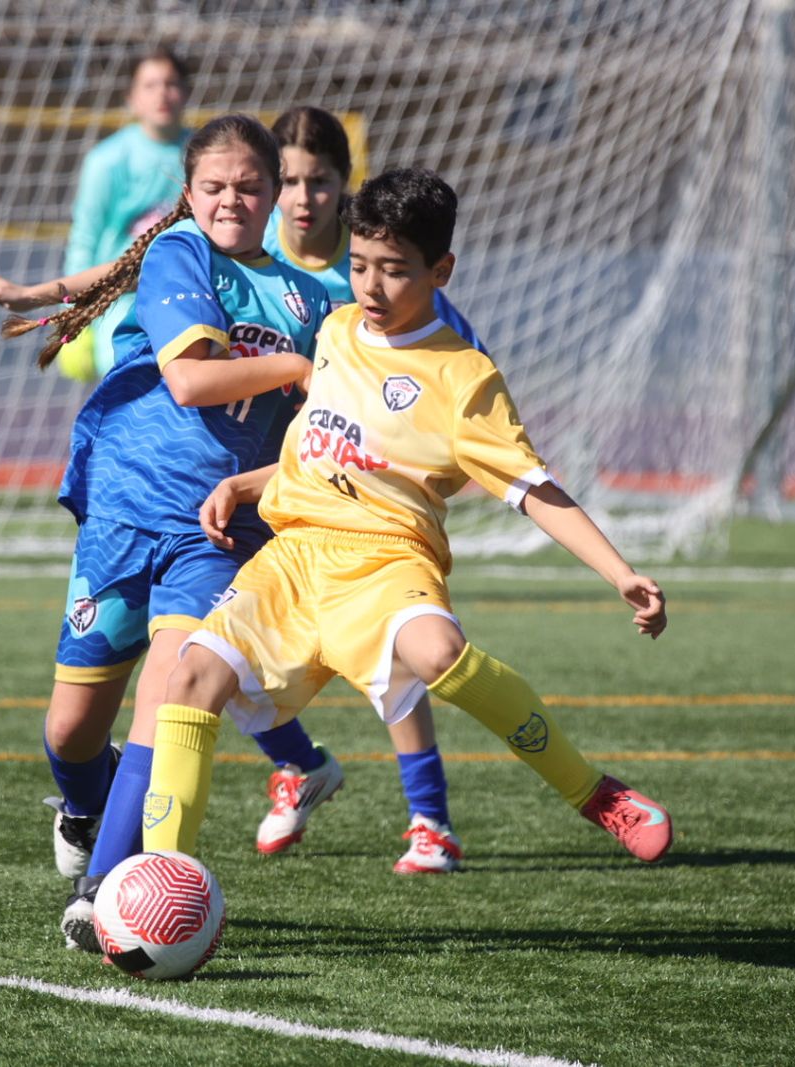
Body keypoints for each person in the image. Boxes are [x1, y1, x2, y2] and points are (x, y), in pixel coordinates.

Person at [141, 167, 674, 877]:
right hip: (296, 556)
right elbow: (330, 455)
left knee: (435, 651)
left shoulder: (465, 378)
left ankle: (593, 792)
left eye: (394, 270)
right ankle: (157, 877)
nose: (371, 286)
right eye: (360, 265)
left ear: (441, 269)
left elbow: (533, 488)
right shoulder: (334, 331)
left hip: (389, 558)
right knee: (190, 677)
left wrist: (621, 573)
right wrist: (243, 483)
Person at [0, 113, 333, 952]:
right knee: (72, 729)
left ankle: (106, 888)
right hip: (125, 512)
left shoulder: (313, 299)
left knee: (170, 691)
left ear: (277, 193)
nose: (232, 200)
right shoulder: (180, 252)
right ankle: (84, 799)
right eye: (215, 186)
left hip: (217, 528)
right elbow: (187, 379)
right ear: (190, 192)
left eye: (251, 186)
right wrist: (297, 366)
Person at [240, 106, 490, 874]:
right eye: (287, 179)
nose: (303, 196)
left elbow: (455, 390)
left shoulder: (390, 280)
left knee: (396, 656)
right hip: (265, 475)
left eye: (319, 180)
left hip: (361, 499)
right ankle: (300, 764)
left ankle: (429, 817)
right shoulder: (245, 257)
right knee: (218, 647)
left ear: (346, 187)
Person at [0, 47, 191, 382]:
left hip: (186, 298)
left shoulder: (203, 156)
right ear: (131, 98)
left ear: (185, 92)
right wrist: (73, 314)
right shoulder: (107, 161)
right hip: (119, 303)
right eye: (150, 85)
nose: (162, 94)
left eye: (170, 83)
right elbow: (85, 239)